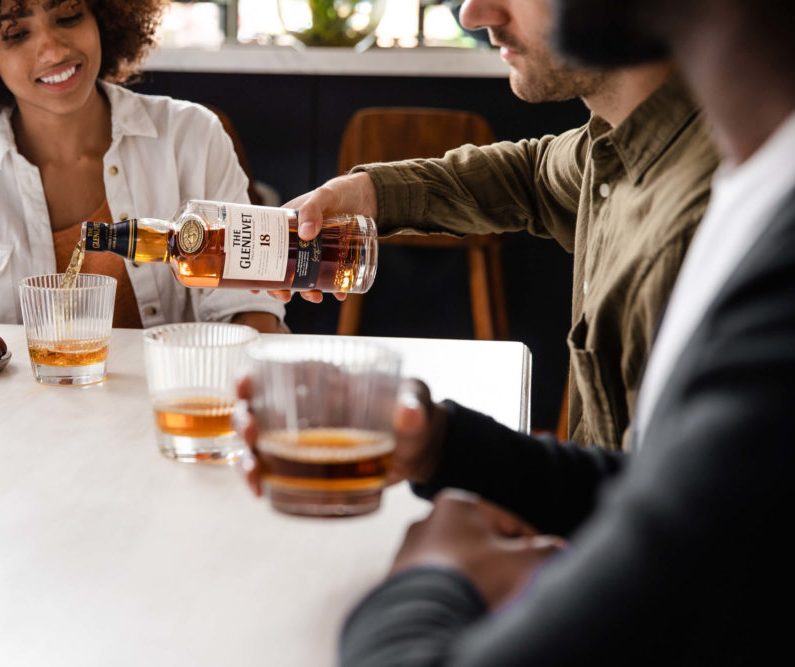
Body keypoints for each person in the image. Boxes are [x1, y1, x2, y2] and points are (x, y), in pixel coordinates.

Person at [247, 0, 795, 662]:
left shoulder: (721, 229)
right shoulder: (652, 150)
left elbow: (662, 586)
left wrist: (431, 574)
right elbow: (660, 491)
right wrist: (444, 445)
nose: (474, 11)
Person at [281, 0, 719, 449]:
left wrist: (447, 448)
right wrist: (370, 193)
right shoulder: (615, 142)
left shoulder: (694, 230)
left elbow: (651, 506)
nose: (473, 15)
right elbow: (529, 176)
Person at [0, 0, 285, 333]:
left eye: (68, 16)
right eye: (16, 34)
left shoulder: (191, 137)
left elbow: (250, 310)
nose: (53, 49)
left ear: (101, 13)